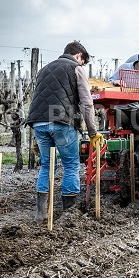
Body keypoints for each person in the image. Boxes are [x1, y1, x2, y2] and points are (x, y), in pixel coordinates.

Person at [26, 41, 103, 221]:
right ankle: (69, 212)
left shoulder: (44, 69)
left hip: (37, 121)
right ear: (78, 56)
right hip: (61, 121)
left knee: (47, 165)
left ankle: (41, 213)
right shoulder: (75, 68)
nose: (82, 65)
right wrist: (92, 132)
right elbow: (86, 103)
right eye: (83, 61)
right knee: (71, 165)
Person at [108, 44, 139, 147]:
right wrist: (115, 82)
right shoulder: (124, 68)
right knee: (111, 115)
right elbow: (109, 82)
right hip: (121, 108)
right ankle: (114, 148)